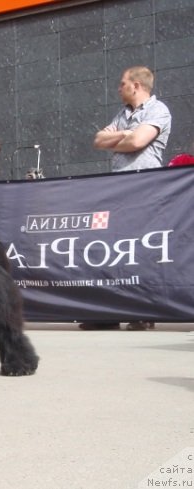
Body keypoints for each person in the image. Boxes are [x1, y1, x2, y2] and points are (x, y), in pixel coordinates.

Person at [84, 65, 172, 331]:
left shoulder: (159, 110)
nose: (118, 88)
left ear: (136, 85)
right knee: (112, 250)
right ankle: (109, 311)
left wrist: (124, 140)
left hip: (144, 189)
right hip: (117, 190)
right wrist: (124, 134)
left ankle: (142, 311)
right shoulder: (123, 115)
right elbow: (99, 140)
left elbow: (138, 143)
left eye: (122, 83)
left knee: (140, 250)